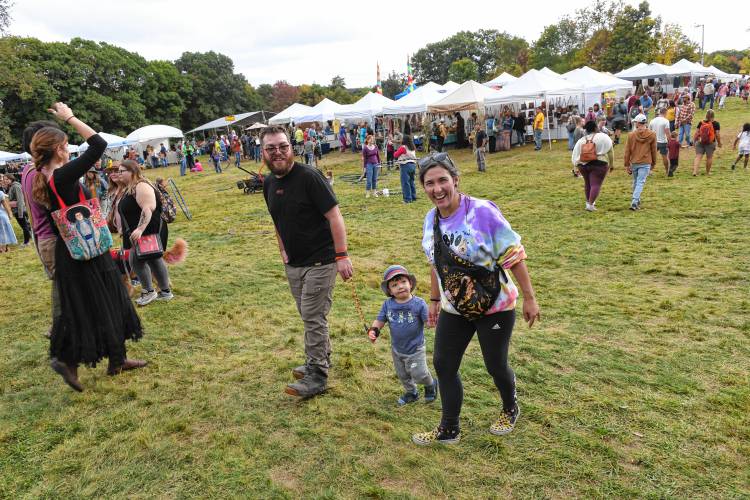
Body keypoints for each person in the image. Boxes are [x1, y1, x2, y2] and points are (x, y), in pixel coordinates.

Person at [411, 153, 540, 446]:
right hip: (454, 307)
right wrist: (434, 300)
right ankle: (449, 429)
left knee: (495, 364)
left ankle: (510, 407)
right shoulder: (430, 220)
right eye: (429, 183)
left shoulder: (482, 212)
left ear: (455, 181)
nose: (437, 188)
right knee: (444, 364)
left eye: (443, 180)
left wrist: (530, 299)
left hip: (494, 306)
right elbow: (436, 263)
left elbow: (514, 255)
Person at [30, 103, 145, 391]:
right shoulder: (63, 175)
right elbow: (98, 144)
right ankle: (68, 361)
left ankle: (116, 359)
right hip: (84, 252)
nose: (69, 149)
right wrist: (69, 118)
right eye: (66, 144)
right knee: (91, 304)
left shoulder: (45, 176)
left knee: (103, 300)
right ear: (58, 149)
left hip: (76, 250)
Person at [261, 126, 353, 399]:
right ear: (263, 152)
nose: (278, 152)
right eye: (271, 148)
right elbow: (277, 220)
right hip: (294, 264)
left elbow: (335, 216)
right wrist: (282, 251)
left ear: (292, 147)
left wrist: (342, 255)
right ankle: (321, 358)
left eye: (283, 146)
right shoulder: (268, 183)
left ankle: (317, 374)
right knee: (309, 315)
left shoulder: (310, 177)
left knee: (313, 316)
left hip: (321, 261)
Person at [367, 265, 438, 406]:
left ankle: (430, 384)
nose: (400, 286)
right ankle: (412, 393)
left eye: (403, 282)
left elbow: (428, 322)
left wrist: (433, 321)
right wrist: (374, 330)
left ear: (410, 284)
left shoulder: (419, 304)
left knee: (419, 374)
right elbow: (380, 320)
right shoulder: (388, 305)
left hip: (415, 348)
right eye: (394, 285)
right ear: (390, 291)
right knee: (403, 375)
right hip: (397, 349)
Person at [117, 160, 173, 306]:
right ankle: (165, 292)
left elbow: (148, 208)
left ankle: (149, 291)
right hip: (142, 230)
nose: (119, 174)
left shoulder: (141, 185)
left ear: (132, 172)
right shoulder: (131, 186)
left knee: (136, 260)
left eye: (122, 171)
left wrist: (140, 229)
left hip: (148, 229)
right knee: (154, 259)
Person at [571, 120, 614, 212]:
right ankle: (590, 205)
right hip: (599, 164)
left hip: (583, 165)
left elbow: (575, 154)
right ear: (595, 127)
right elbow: (610, 152)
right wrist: (611, 164)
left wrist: (575, 166)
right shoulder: (603, 137)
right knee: (596, 184)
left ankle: (588, 202)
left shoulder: (581, 140)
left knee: (588, 183)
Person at [623, 114, 657, 211]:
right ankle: (635, 201)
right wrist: (654, 163)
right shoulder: (652, 134)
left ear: (637, 123)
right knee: (640, 182)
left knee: (636, 182)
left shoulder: (631, 135)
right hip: (646, 162)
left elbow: (627, 151)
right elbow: (654, 150)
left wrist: (626, 164)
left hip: (634, 162)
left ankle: (636, 201)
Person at [0, 174, 32, 245]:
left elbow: (20, 200)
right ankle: (29, 238)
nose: (5, 180)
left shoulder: (16, 186)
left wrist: (20, 213)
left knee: (24, 227)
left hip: (20, 210)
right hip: (16, 210)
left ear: (11, 179)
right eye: (4, 179)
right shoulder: (11, 186)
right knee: (25, 226)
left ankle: (26, 242)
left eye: (6, 179)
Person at [692, 109, 722, 176]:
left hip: (700, 142)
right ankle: (707, 172)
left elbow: (697, 133)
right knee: (709, 157)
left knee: (698, 157)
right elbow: (717, 134)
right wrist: (719, 143)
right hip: (710, 143)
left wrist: (694, 141)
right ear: (713, 116)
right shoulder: (716, 123)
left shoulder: (701, 122)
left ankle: (694, 172)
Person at [393, 135, 418, 203]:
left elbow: (395, 155)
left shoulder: (403, 148)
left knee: (405, 183)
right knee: (411, 181)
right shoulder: (412, 147)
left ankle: (407, 199)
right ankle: (413, 197)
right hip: (413, 165)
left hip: (405, 165)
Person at [649, 108, 671, 175]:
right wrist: (670, 141)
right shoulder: (666, 121)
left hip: (654, 141)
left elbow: (649, 132)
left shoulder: (652, 120)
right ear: (665, 113)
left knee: (652, 157)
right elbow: (667, 133)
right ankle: (667, 171)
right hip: (663, 142)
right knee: (665, 157)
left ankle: (649, 170)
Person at [0, 187, 17, 252]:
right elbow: (5, 205)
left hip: (2, 215)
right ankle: (4, 248)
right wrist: (9, 213)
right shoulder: (0, 193)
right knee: (5, 232)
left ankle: (4, 248)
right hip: (2, 215)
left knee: (3, 232)